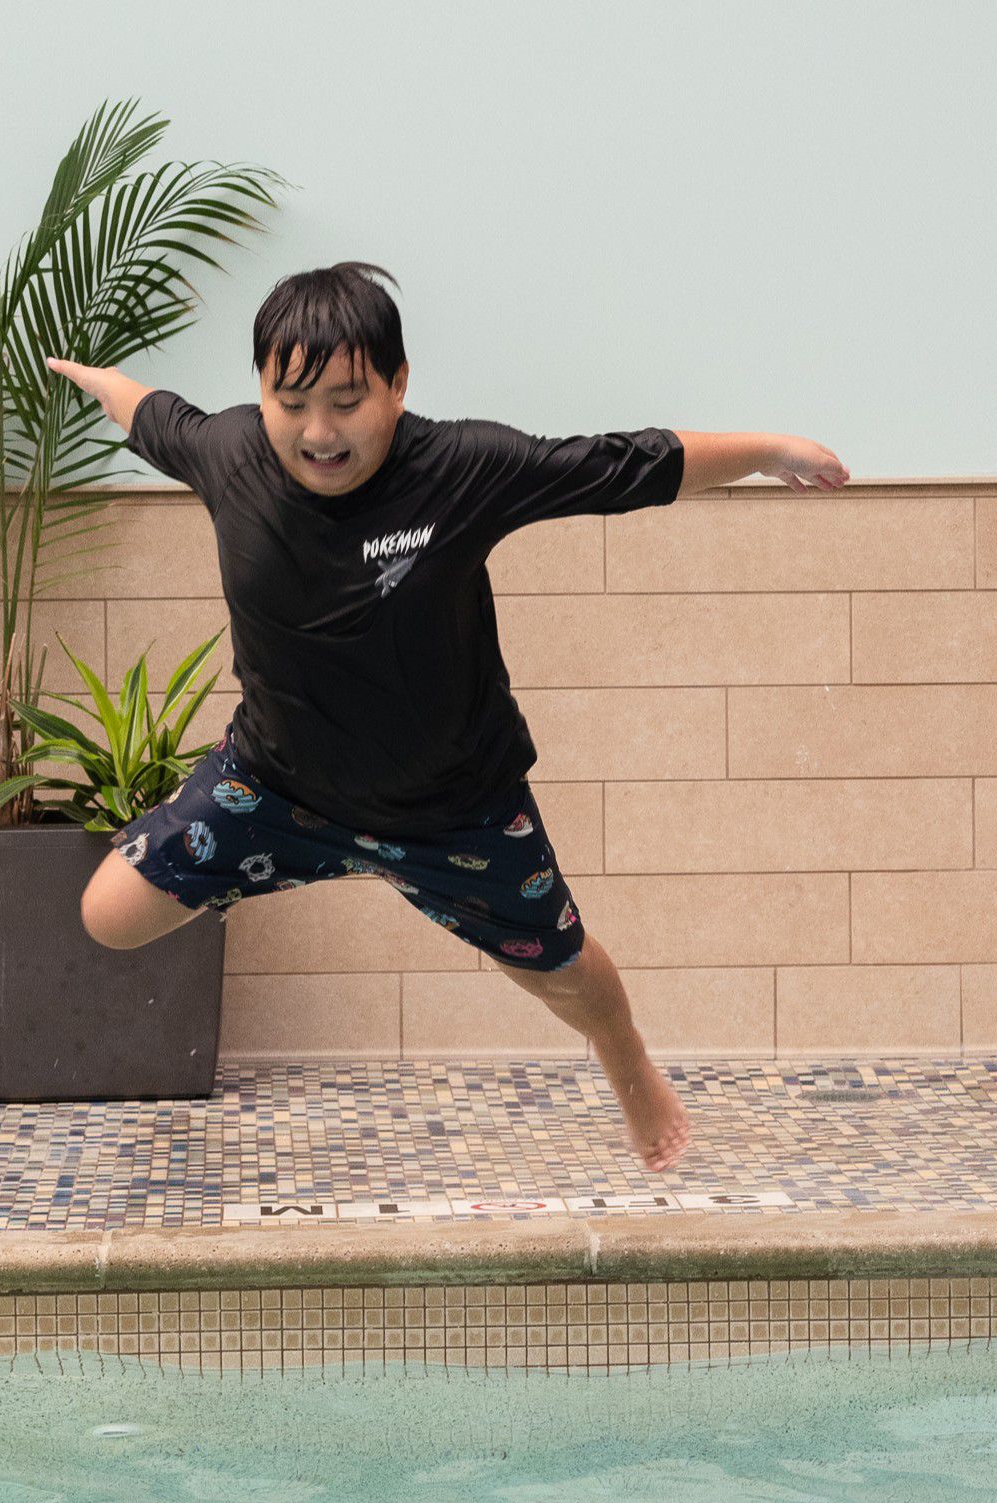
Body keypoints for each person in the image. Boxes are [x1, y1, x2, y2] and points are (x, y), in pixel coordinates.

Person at [49, 263, 846, 1170]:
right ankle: (279, 862)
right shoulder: (230, 454)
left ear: (397, 385)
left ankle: (628, 1063)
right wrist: (90, 378)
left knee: (568, 979)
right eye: (291, 401)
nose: (318, 431)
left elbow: (624, 463)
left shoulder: (462, 468)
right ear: (262, 395)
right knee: (109, 912)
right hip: (276, 789)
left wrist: (771, 451)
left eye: (348, 401)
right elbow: (150, 409)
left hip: (453, 812)